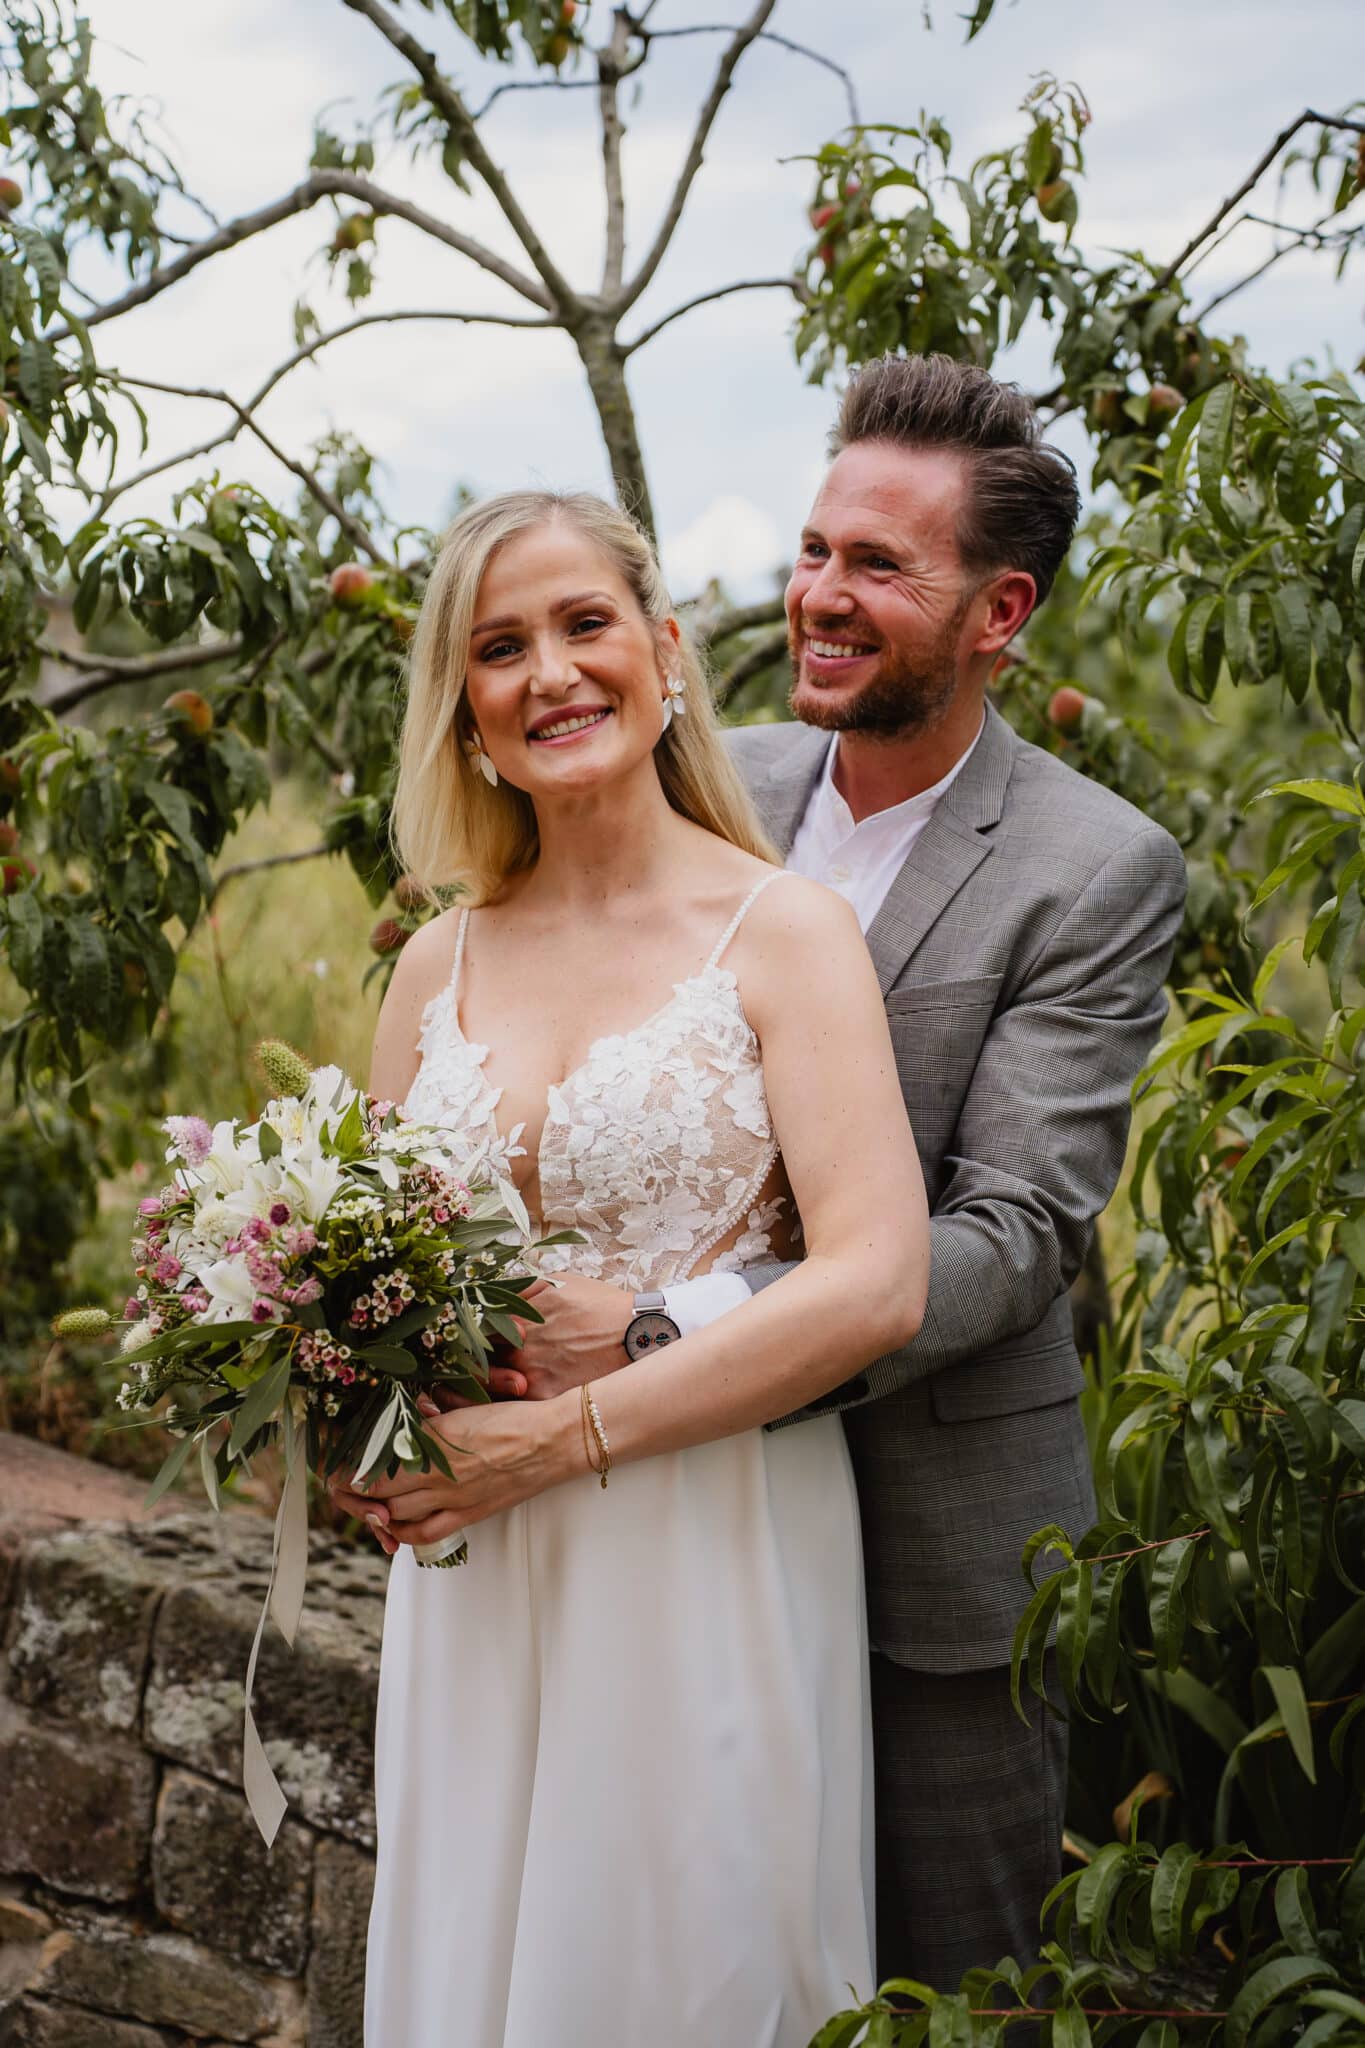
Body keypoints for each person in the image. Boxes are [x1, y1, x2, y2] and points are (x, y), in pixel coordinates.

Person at [358, 355, 1189, 1998]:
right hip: (575, 1539)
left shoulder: (1091, 869)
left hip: (918, 1539)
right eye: (813, 550)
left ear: (999, 612)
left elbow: (1012, 1230)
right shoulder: (677, 768)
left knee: (938, 1993)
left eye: (877, 565)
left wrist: (656, 1329)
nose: (818, 594)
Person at [336, 488, 929, 2048]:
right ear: (463, 707)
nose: (549, 674)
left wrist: (564, 1436)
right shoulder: (435, 960)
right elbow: (367, 1275)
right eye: (498, 648)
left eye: (584, 625)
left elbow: (877, 1282)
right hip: (477, 1570)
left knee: (682, 1962)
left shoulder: (785, 932)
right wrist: (350, 1420)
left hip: (705, 1538)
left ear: (664, 653)